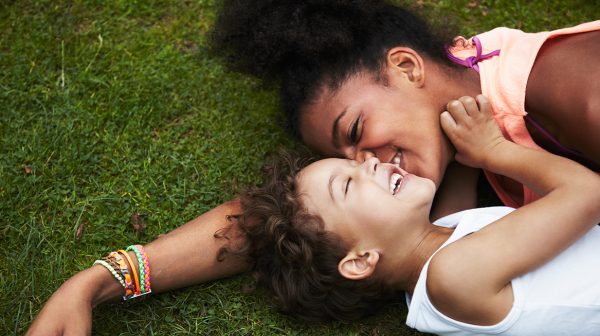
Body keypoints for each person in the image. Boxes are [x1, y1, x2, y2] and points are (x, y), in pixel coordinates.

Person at [27, 1, 600, 334]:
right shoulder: (445, 137)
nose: (369, 164)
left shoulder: (579, 101)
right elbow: (296, 225)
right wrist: (98, 282)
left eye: (354, 135)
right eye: (345, 163)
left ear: (405, 66)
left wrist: (489, 154)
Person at [236, 95, 600, 334]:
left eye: (356, 164)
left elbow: (458, 184)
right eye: (347, 184)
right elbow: (587, 193)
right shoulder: (453, 277)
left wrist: (448, 122)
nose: (370, 164)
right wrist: (491, 149)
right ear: (361, 260)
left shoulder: (437, 252)